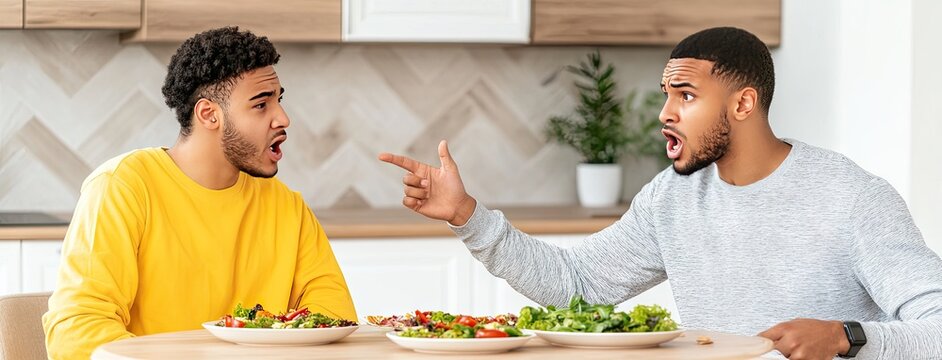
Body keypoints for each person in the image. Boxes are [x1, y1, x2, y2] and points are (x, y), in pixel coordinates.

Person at [379, 27, 942, 359]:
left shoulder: (850, 197)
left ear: (743, 104)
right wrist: (468, 216)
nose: (664, 114)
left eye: (686, 95)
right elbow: (578, 286)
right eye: (666, 94)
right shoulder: (672, 199)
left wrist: (848, 336)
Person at [42, 27, 356, 359]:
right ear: (208, 114)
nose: (283, 118)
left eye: (279, 100)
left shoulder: (287, 207)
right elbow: (77, 330)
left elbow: (332, 319)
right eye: (262, 105)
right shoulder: (122, 187)